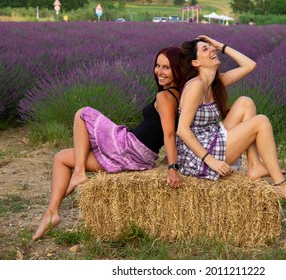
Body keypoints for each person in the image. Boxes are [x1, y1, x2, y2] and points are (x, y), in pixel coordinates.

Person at [33, 47, 183, 241]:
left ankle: (78, 173)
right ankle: (52, 214)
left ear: (178, 70)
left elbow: (170, 134)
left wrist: (172, 167)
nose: (159, 71)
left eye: (166, 68)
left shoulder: (165, 97)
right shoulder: (181, 96)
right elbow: (175, 132)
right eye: (157, 65)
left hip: (129, 146)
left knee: (82, 113)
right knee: (61, 158)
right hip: (138, 159)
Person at [176, 35, 286, 205]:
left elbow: (250, 65)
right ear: (195, 63)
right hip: (197, 155)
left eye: (211, 47)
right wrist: (210, 160)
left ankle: (254, 165)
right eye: (205, 49)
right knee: (261, 121)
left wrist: (220, 45)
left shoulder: (216, 81)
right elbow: (182, 130)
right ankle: (280, 184)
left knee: (245, 102)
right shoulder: (196, 85)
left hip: (211, 137)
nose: (212, 50)